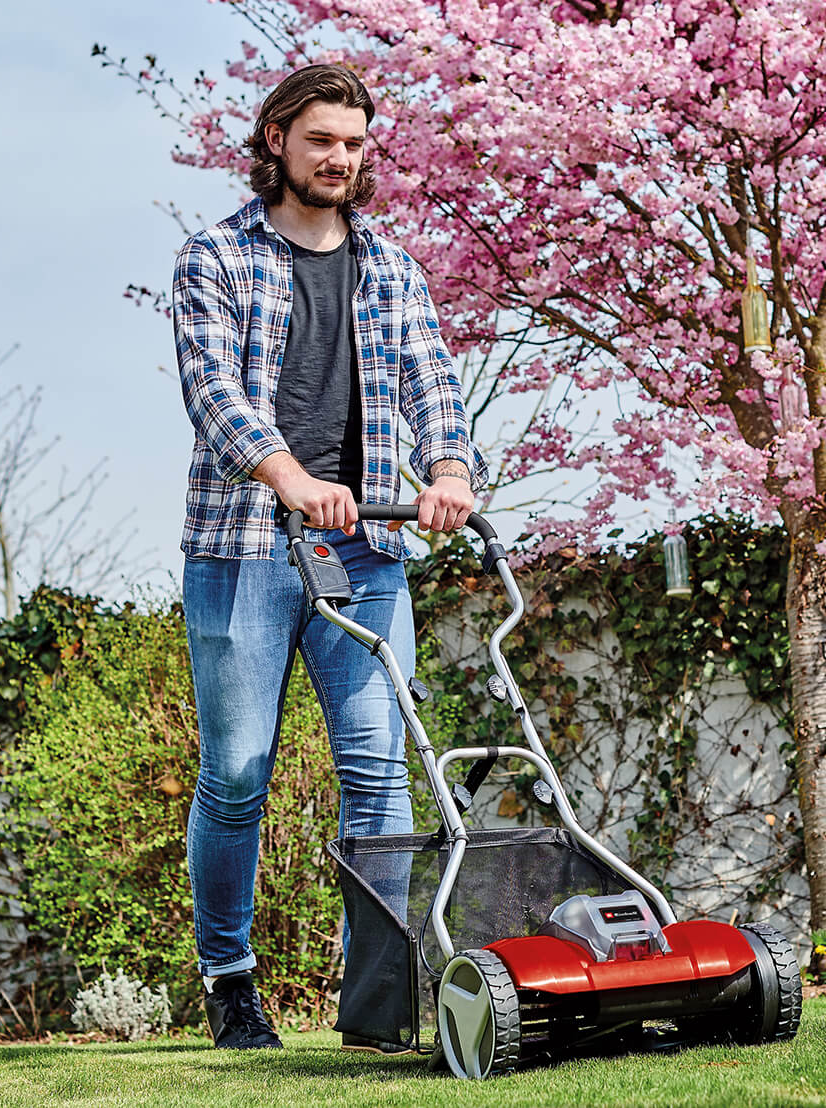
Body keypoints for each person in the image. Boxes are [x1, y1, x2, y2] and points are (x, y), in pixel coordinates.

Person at [170, 63, 485, 1051]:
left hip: (371, 549)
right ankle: (230, 983)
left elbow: (434, 380)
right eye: (320, 141)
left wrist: (450, 469)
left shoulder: (391, 268)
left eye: (352, 143)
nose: (339, 159)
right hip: (246, 548)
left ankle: (375, 1006)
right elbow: (215, 393)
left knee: (379, 775)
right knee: (237, 770)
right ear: (276, 141)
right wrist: (287, 476)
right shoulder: (215, 257)